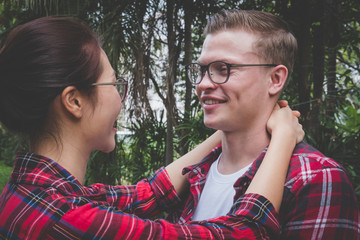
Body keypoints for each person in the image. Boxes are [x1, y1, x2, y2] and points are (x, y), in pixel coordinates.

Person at [0, 16, 303, 239]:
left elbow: (149, 193)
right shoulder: (66, 218)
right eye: (114, 84)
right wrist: (283, 138)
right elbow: (244, 232)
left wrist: (229, 127)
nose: (120, 99)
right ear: (74, 102)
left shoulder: (30, 193)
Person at [167, 9, 360, 239]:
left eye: (224, 69)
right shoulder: (192, 174)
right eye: (201, 70)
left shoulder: (316, 178)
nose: (203, 84)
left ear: (275, 79)